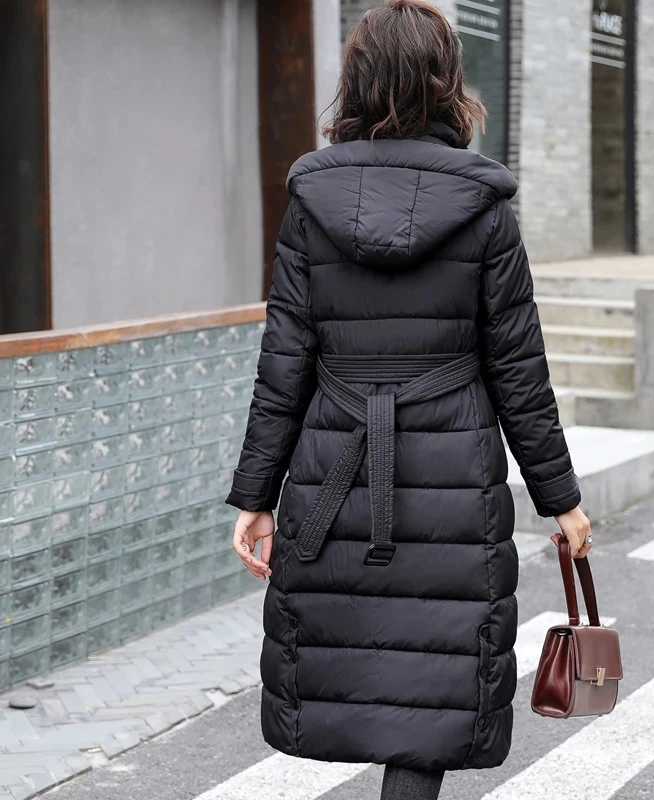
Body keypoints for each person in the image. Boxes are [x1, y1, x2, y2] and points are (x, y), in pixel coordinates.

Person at [227, 1, 591, 798]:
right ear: (445, 83)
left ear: (356, 82)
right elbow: (519, 371)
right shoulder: (484, 209)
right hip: (452, 474)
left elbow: (283, 364)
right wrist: (560, 499)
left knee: (354, 663)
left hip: (333, 468)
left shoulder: (310, 202)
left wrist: (255, 496)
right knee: (434, 675)